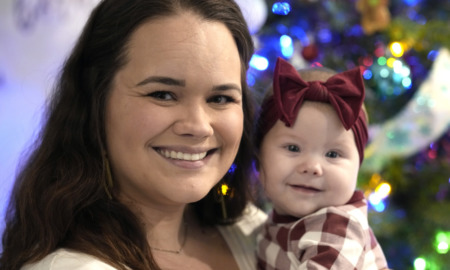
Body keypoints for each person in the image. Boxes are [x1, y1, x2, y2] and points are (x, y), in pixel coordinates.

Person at [0, 1, 267, 269]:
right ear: (96, 104)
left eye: (220, 98)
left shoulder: (259, 233)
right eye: (162, 94)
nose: (199, 126)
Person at [255, 57, 389, 269]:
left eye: (333, 154)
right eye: (293, 148)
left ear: (358, 164)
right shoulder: (275, 221)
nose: (312, 167)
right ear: (259, 153)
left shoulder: (338, 229)